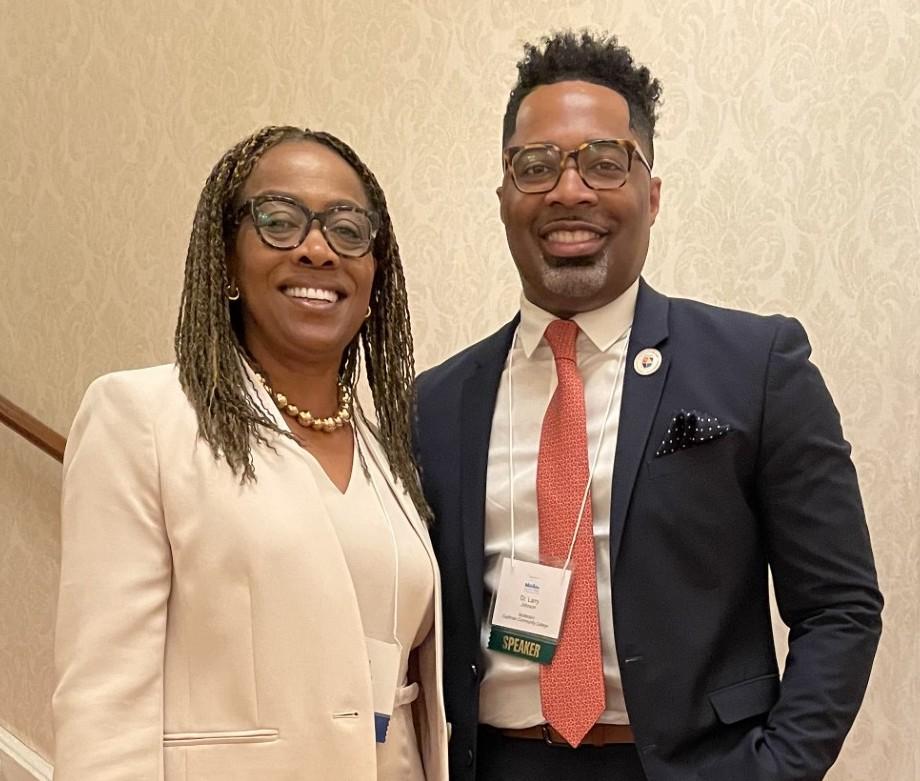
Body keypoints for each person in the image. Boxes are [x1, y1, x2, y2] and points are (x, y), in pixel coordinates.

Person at [414, 31, 882, 781]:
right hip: (497, 762)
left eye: (605, 162)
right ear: (503, 197)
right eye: (535, 167)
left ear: (652, 196)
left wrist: (776, 770)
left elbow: (840, 606)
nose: (569, 191)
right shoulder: (433, 403)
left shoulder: (757, 365)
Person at [53, 125, 448, 780]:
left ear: (375, 274)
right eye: (279, 222)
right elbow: (103, 702)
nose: (318, 249)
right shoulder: (143, 418)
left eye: (348, 230)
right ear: (228, 259)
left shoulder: (391, 447)